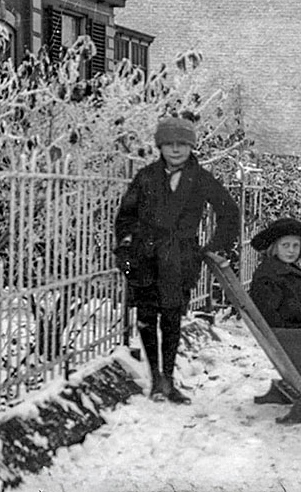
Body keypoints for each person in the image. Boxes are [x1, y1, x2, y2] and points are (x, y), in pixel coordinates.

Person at [115, 115, 239, 404]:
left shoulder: (201, 179)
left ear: (191, 147)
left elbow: (229, 212)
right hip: (144, 257)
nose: (175, 150)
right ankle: (155, 377)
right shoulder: (145, 177)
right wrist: (126, 244)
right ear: (160, 146)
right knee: (146, 316)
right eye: (169, 144)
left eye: (181, 144)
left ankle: (168, 381)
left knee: (171, 317)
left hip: (180, 257)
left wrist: (215, 246)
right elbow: (126, 215)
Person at [247, 217, 301, 329]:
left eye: (295, 245)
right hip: (291, 337)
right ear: (274, 247)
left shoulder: (285, 268)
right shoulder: (268, 277)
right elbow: (271, 320)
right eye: (285, 245)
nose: (291, 250)